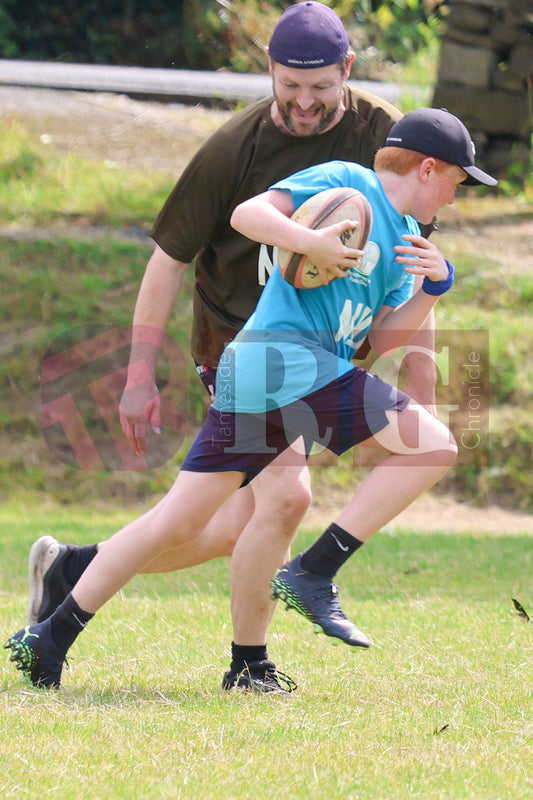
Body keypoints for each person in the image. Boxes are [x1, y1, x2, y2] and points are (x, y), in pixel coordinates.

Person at [21, 1, 436, 694]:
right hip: (244, 345)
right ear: (268, 71)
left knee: (230, 520)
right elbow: (167, 258)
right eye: (288, 86)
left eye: (320, 89)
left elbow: (410, 256)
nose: (303, 103)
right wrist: (137, 374)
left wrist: (420, 371)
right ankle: (247, 663)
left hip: (319, 355)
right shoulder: (232, 150)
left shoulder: (383, 137)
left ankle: (75, 574)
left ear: (347, 71)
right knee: (282, 500)